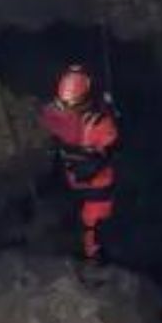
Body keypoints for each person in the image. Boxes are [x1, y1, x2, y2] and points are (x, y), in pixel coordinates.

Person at [39, 63, 121, 264]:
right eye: (64, 105)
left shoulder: (101, 124)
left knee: (94, 225)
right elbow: (44, 124)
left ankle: (95, 259)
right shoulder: (55, 113)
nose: (68, 111)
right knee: (70, 216)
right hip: (70, 176)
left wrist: (93, 162)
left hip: (97, 183)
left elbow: (110, 149)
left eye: (72, 106)